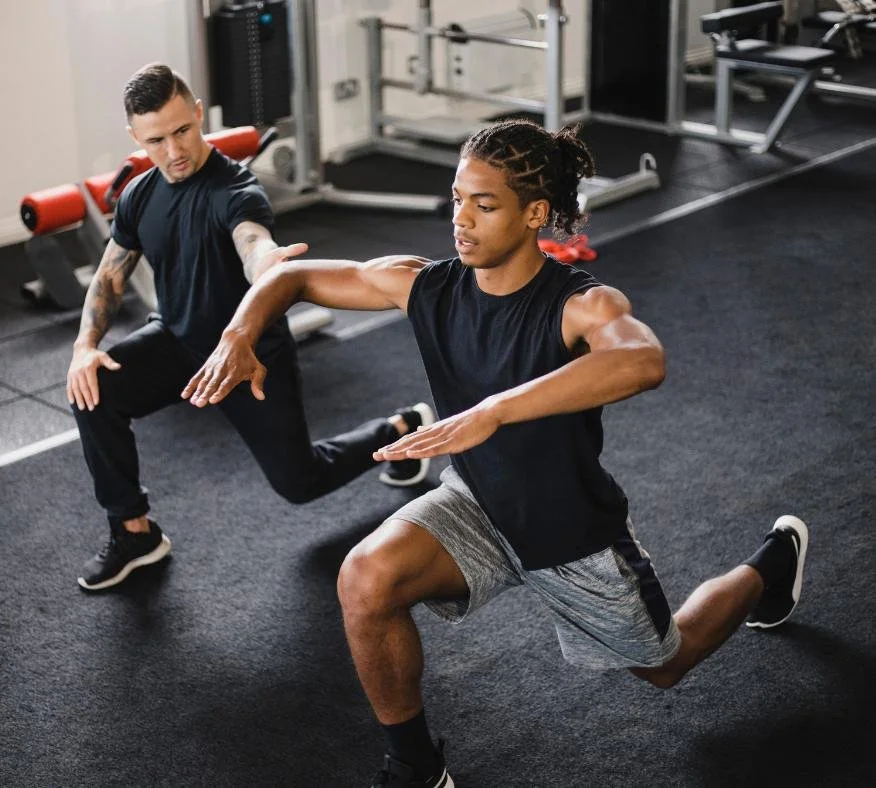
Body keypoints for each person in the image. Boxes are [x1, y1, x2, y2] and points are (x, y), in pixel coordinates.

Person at [182, 118, 810, 788]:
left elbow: (643, 360)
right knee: (365, 577)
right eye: (457, 199)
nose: (462, 219)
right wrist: (239, 332)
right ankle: (416, 766)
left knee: (664, 664)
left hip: (570, 528)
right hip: (477, 504)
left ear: (534, 213)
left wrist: (494, 410)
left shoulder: (578, 302)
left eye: (484, 205)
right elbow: (298, 277)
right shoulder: (428, 285)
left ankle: (770, 565)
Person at [66, 63, 433, 592]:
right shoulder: (141, 195)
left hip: (248, 357)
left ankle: (401, 428)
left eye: (182, 131)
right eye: (156, 140)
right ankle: (135, 534)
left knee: (299, 483)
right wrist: (84, 346)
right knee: (91, 388)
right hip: (176, 342)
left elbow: (252, 241)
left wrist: (268, 265)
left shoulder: (235, 189)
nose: (174, 151)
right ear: (135, 138)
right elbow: (109, 274)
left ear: (198, 115)